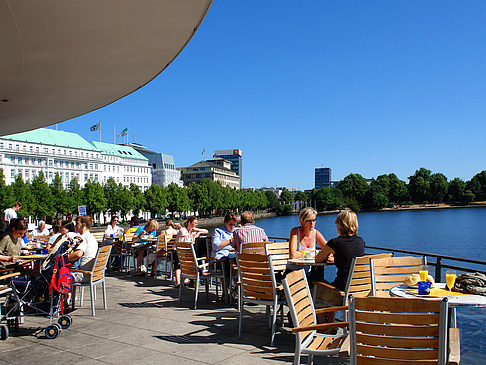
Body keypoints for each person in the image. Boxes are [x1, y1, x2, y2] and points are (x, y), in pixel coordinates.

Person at [316, 210, 365, 291]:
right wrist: (336, 258)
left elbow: (317, 259)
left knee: (315, 278)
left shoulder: (334, 243)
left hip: (342, 287)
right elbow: (349, 257)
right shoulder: (361, 241)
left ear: (340, 225)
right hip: (361, 286)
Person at [286, 207, 328, 282]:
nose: (312, 224)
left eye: (314, 220)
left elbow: (329, 249)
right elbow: (292, 255)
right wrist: (306, 253)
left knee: (324, 284)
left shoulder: (316, 233)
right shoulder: (295, 232)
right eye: (309, 221)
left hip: (308, 274)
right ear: (302, 221)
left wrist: (328, 255)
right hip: (293, 273)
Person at [174, 216, 208, 287]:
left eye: (196, 223)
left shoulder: (192, 230)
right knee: (181, 261)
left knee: (195, 257)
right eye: (194, 223)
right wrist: (197, 235)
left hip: (188, 251)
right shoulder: (183, 230)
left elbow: (206, 231)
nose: (196, 225)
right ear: (189, 223)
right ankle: (178, 282)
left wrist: (197, 230)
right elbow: (188, 240)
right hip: (179, 250)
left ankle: (192, 279)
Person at [68, 215, 98, 283]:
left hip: (83, 274)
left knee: (56, 275)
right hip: (94, 274)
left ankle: (67, 293)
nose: (75, 226)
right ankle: (69, 294)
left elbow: (78, 254)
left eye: (77, 223)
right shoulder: (92, 237)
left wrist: (63, 259)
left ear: (83, 225)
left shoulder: (83, 238)